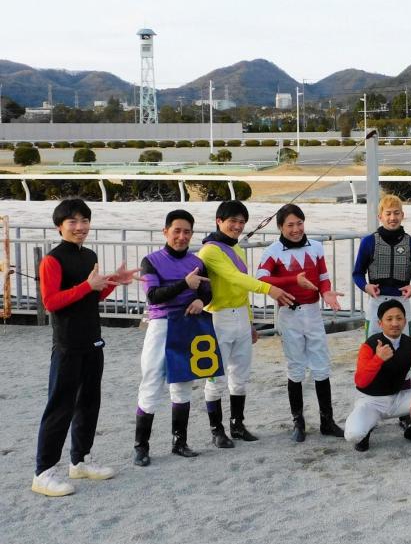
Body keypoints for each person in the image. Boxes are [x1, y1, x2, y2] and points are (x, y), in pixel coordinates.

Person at [32, 199, 139, 497]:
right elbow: (51, 302)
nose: (80, 227)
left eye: (85, 221)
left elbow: (90, 296)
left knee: (90, 402)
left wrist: (113, 282)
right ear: (60, 226)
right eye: (73, 222)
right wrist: (88, 287)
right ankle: (43, 473)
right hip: (67, 344)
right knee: (60, 406)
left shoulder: (89, 254)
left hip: (93, 339)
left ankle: (79, 460)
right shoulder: (52, 260)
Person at [198, 200, 295, 448]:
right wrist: (269, 288)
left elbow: (241, 290)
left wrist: (250, 322)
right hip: (217, 317)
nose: (238, 226)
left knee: (239, 376)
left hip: (240, 316)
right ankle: (216, 430)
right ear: (219, 221)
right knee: (216, 378)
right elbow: (235, 277)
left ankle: (237, 425)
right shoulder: (210, 250)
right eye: (233, 221)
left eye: (242, 222)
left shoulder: (237, 248)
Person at [255, 204, 345, 442]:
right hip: (289, 313)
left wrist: (326, 293)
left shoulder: (316, 246)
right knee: (295, 368)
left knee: (321, 366)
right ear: (280, 227)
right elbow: (261, 278)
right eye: (290, 225)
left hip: (314, 312)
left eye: (299, 224)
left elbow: (323, 277)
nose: (295, 229)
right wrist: (292, 280)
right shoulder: (273, 250)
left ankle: (327, 420)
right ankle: (299, 421)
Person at [134, 210, 212, 466]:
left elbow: (207, 291)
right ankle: (141, 447)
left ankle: (180, 442)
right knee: (152, 381)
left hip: (187, 326)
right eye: (176, 231)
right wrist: (184, 284)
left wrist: (201, 300)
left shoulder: (197, 261)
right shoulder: (151, 261)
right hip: (161, 326)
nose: (181, 236)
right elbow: (153, 296)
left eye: (187, 231)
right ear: (165, 231)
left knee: (182, 383)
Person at [343, 299, 411, 451]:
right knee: (353, 435)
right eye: (389, 319)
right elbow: (360, 381)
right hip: (371, 402)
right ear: (380, 323)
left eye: (399, 318)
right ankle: (366, 431)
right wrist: (378, 359)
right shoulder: (369, 345)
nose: (394, 323)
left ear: (405, 322)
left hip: (397, 398)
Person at [352, 194, 411, 336]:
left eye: (397, 213)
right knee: (374, 346)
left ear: (402, 215)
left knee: (403, 346)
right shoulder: (369, 242)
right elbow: (358, 273)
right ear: (380, 216)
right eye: (388, 213)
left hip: (402, 300)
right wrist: (366, 286)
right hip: (376, 301)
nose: (393, 218)